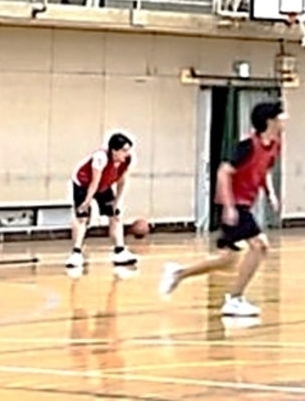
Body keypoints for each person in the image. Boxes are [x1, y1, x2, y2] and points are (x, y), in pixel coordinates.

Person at [159, 100, 286, 318]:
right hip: (235, 204)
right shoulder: (247, 146)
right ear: (270, 121)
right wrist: (228, 207)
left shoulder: (275, 144)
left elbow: (264, 170)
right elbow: (223, 172)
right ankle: (234, 299)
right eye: (281, 116)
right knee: (259, 245)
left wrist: (270, 194)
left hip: (244, 204)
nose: (285, 119)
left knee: (227, 260)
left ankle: (178, 273)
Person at [67, 132, 137, 272]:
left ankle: (120, 251)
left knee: (115, 215)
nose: (127, 153)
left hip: (104, 185)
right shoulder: (101, 158)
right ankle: (75, 254)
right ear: (114, 150)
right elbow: (94, 182)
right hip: (83, 184)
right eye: (124, 150)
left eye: (128, 150)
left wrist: (117, 202)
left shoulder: (128, 160)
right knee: (82, 217)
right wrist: (86, 203)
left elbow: (122, 181)